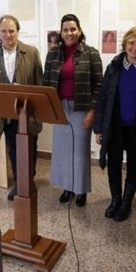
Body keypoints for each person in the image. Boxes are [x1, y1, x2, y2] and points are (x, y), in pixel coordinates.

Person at [94, 27, 136, 221]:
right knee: (114, 165)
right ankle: (115, 199)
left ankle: (126, 203)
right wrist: (99, 128)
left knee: (134, 166)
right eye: (131, 43)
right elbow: (103, 99)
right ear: (124, 44)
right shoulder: (113, 67)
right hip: (115, 127)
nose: (135, 48)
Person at [43, 14, 103, 207]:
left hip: (81, 109)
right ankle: (68, 187)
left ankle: (81, 190)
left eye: (73, 29)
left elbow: (99, 85)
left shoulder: (91, 53)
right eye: (65, 29)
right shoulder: (53, 54)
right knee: (62, 151)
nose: (69, 33)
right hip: (60, 107)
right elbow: (46, 83)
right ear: (61, 32)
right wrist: (50, 109)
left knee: (80, 152)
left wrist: (92, 111)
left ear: (79, 30)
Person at [0, 14, 43, 201]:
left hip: (28, 113)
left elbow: (40, 84)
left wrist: (39, 112)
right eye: (4, 31)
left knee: (30, 148)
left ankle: (29, 180)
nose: (8, 35)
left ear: (17, 32)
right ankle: (19, 183)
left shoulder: (31, 52)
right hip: (6, 114)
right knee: (13, 150)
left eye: (11, 31)